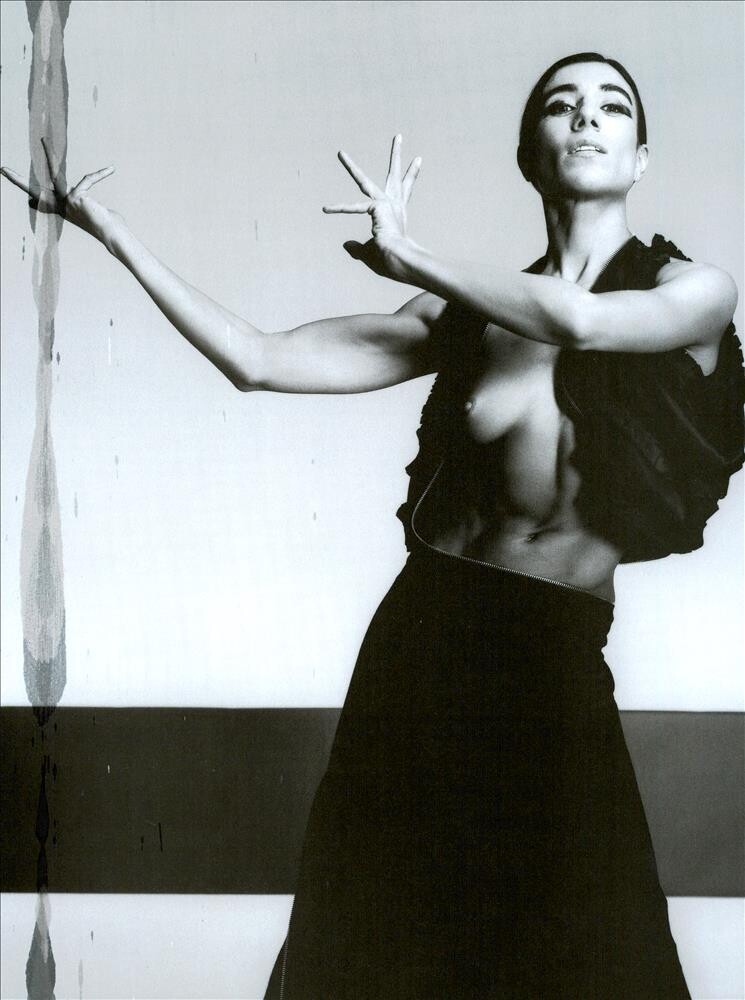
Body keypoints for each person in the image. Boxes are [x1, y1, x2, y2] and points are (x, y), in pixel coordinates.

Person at [3, 50, 743, 999]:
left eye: (612, 107)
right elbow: (260, 361)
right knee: (371, 935)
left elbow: (581, 324)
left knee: (590, 940)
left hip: (548, 646)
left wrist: (412, 252)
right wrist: (109, 232)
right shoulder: (465, 316)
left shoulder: (694, 293)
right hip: (422, 634)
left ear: (641, 156)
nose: (586, 118)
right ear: (530, 154)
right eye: (561, 105)